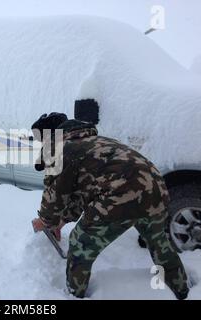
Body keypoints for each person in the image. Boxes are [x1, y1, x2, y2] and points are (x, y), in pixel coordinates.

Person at [31, 99, 189, 300]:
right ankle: (182, 290)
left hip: (120, 195)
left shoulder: (60, 149)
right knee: (159, 244)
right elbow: (84, 192)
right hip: (156, 188)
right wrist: (65, 219)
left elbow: (54, 196)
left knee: (80, 244)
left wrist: (47, 221)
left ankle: (73, 295)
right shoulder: (96, 142)